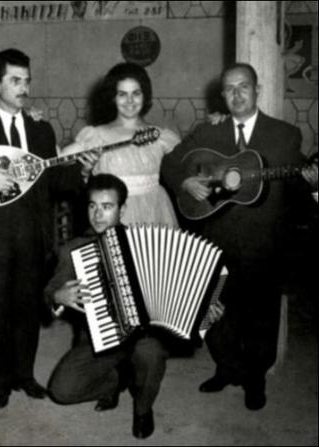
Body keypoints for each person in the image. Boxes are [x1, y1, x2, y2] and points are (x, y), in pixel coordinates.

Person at [0, 49, 98, 409]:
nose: (23, 87)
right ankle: (1, 380)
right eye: (15, 80)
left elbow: (52, 180)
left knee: (27, 310)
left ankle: (25, 375)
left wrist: (83, 171)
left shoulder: (40, 128)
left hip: (31, 236)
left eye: (27, 80)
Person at [161, 62, 318, 411]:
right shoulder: (207, 132)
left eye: (244, 86)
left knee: (260, 315)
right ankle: (225, 368)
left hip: (265, 240)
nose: (237, 94)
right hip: (215, 238)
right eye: (229, 89)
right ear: (221, 96)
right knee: (217, 311)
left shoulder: (285, 134)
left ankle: (255, 379)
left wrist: (314, 184)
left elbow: (299, 185)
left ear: (257, 89)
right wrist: (185, 182)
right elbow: (170, 164)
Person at [45, 174, 168, 439]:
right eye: (92, 206)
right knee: (61, 391)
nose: (98, 214)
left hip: (142, 338)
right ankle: (113, 382)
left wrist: (205, 310)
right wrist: (58, 296)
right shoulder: (74, 249)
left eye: (107, 206)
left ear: (122, 209)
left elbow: (181, 286)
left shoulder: (146, 244)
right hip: (96, 340)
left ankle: (143, 409)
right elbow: (49, 289)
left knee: (151, 353)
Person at [64, 61, 180, 227]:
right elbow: (58, 159)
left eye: (136, 93)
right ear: (113, 97)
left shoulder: (161, 136)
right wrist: (31, 121)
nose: (130, 100)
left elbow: (193, 158)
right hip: (114, 215)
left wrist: (219, 120)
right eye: (122, 94)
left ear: (145, 95)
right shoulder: (96, 135)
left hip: (156, 213)